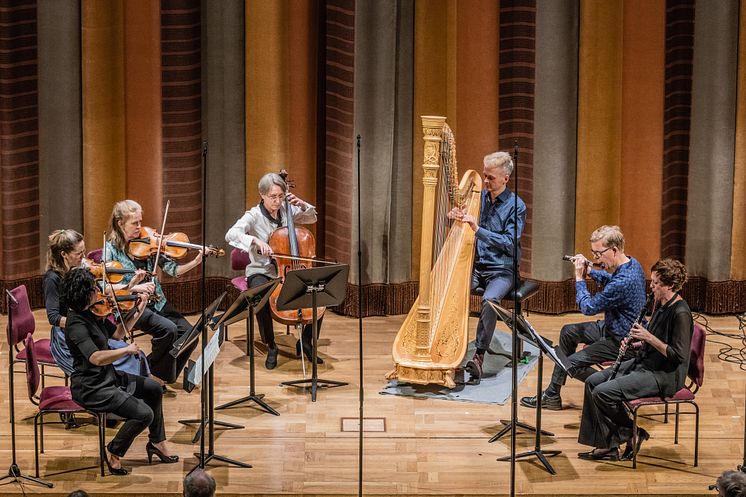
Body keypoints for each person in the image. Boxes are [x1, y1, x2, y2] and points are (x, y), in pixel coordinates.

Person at [62, 268, 178, 475]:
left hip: (108, 377)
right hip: (92, 387)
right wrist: (127, 350)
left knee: (154, 389)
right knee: (144, 414)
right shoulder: (76, 324)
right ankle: (113, 451)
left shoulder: (92, 312)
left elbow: (117, 334)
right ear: (83, 294)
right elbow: (95, 358)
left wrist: (138, 309)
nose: (99, 291)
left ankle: (157, 443)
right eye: (94, 288)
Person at [575, 258, 692, 461]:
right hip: (647, 362)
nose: (651, 286)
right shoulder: (660, 303)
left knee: (602, 393)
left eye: (656, 283)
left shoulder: (680, 313)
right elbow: (656, 340)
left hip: (664, 374)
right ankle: (608, 445)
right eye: (652, 281)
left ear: (670, 285)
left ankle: (631, 432)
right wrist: (636, 344)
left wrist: (648, 337)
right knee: (592, 382)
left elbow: (678, 355)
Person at [521, 225, 646, 410]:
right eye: (593, 254)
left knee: (568, 364)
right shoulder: (632, 264)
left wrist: (580, 278)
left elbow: (588, 307)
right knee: (568, 332)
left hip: (624, 341)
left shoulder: (624, 282)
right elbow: (610, 280)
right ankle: (552, 395)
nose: (595, 259)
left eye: (598, 254)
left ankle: (608, 387)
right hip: (614, 326)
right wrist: (590, 271)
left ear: (614, 250)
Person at [225, 172, 320, 369]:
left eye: (280, 196)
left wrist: (302, 204)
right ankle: (271, 345)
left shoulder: (287, 209)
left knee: (317, 294)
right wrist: (254, 240)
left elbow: (311, 217)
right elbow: (231, 234)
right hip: (262, 269)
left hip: (288, 270)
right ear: (262, 194)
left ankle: (306, 342)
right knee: (260, 297)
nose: (277, 201)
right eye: (273, 197)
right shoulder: (253, 215)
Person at [447, 151, 525, 384]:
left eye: (490, 177)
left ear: (505, 179)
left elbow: (510, 242)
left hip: (502, 269)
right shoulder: (478, 197)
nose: (486, 181)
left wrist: (478, 229)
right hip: (477, 266)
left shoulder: (516, 206)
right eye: (484, 175)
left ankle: (479, 356)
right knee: (451, 289)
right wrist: (456, 217)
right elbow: (468, 224)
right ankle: (449, 349)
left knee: (490, 300)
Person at [104, 200, 202, 384]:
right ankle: (153, 376)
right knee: (169, 330)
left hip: (157, 302)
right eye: (135, 223)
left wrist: (195, 263)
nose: (140, 227)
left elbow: (173, 270)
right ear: (120, 223)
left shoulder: (149, 243)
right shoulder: (110, 250)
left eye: (140, 222)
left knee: (190, 334)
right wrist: (134, 287)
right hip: (131, 305)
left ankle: (157, 375)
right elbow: (105, 287)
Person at [44, 229, 146, 378]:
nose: (83, 257)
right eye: (79, 253)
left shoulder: (80, 271)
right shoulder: (52, 279)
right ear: (64, 254)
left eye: (84, 251)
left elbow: (103, 293)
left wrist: (130, 287)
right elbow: (53, 317)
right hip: (69, 337)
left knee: (133, 355)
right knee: (121, 358)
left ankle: (133, 388)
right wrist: (82, 323)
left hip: (90, 327)